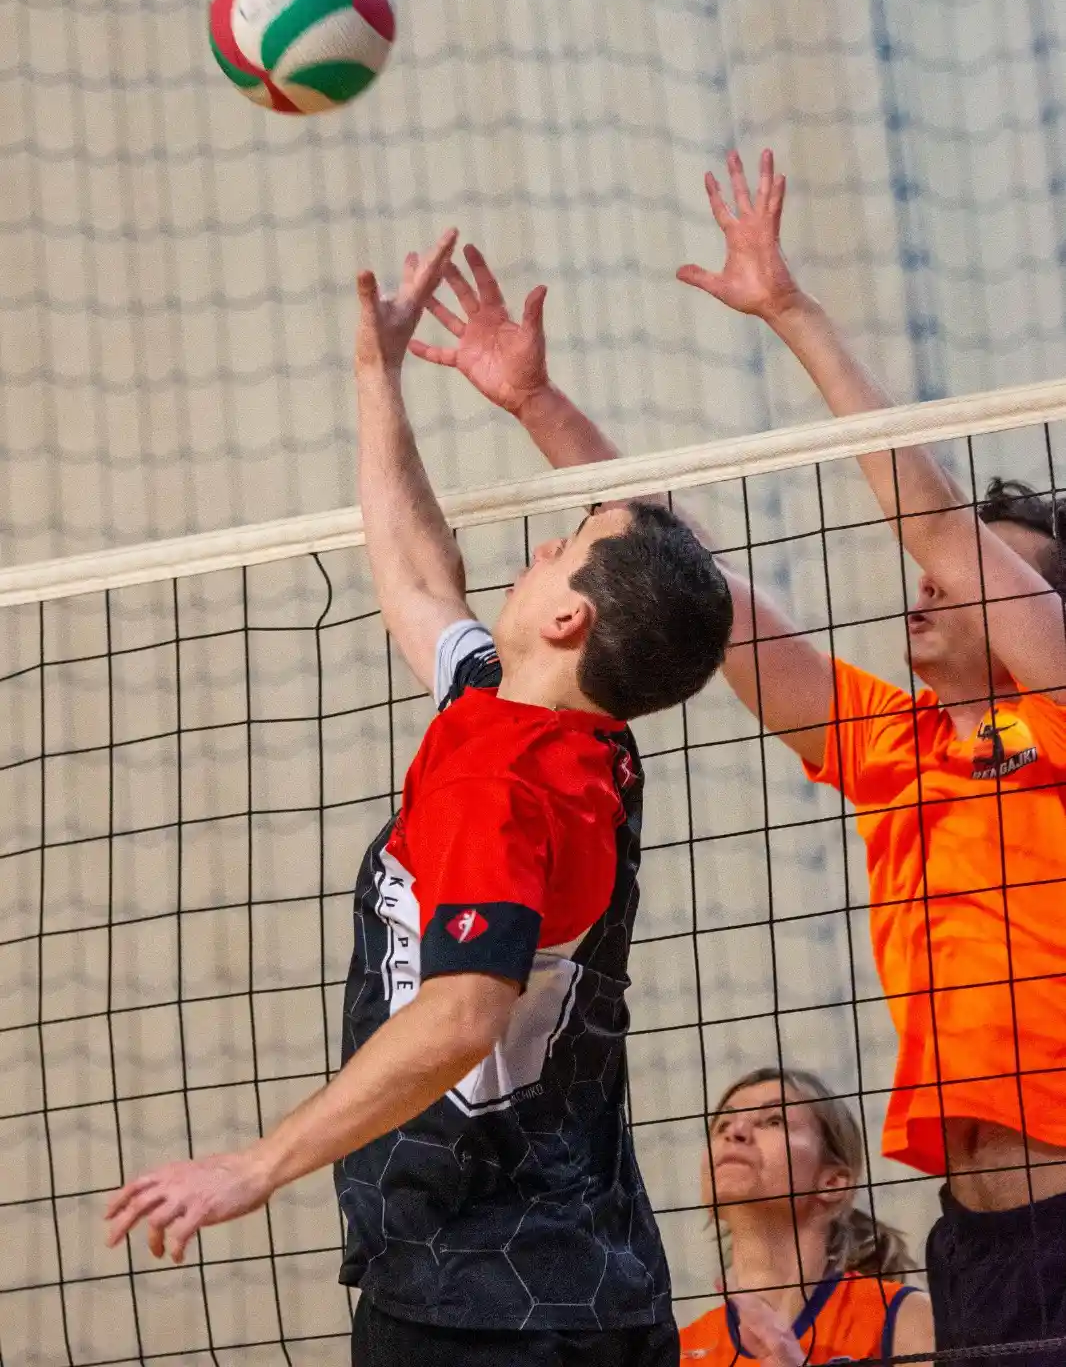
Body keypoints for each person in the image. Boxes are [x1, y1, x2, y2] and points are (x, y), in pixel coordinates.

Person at [412, 181, 1066, 1364]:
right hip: (976, 1235)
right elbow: (694, 585)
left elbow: (931, 526)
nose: (933, 582)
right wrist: (538, 403)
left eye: (986, 572)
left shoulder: (1058, 719)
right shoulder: (892, 742)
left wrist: (791, 311)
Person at [104, 228, 735, 1367]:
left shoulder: (505, 786)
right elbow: (413, 571)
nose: (545, 540)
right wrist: (376, 375)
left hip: (478, 1300)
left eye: (567, 544)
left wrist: (254, 1166)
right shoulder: (557, 727)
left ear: (569, 618)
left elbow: (460, 1016)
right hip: (599, 1282)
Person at [678, 1067, 932, 1365]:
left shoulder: (902, 1316)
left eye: (774, 1120)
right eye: (723, 1124)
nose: (735, 1132)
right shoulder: (683, 1350)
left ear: (833, 1182)